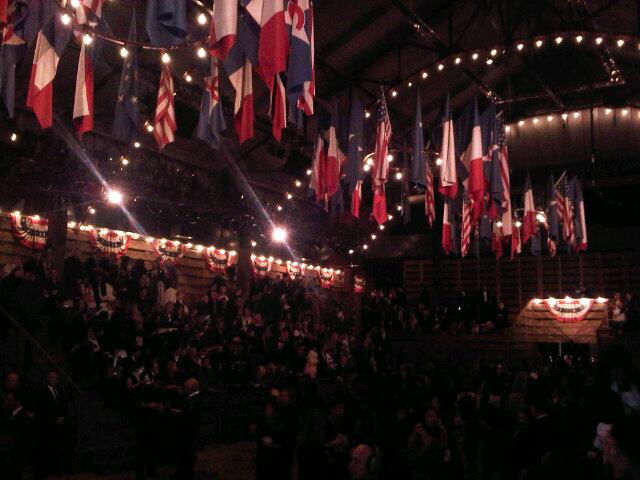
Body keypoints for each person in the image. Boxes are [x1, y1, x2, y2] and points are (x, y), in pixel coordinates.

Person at [172, 378, 202, 480]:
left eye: (185, 387)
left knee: (186, 453)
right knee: (188, 453)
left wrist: (178, 413)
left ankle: (185, 474)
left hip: (188, 430)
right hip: (191, 429)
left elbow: (187, 415)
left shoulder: (193, 399)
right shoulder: (194, 397)